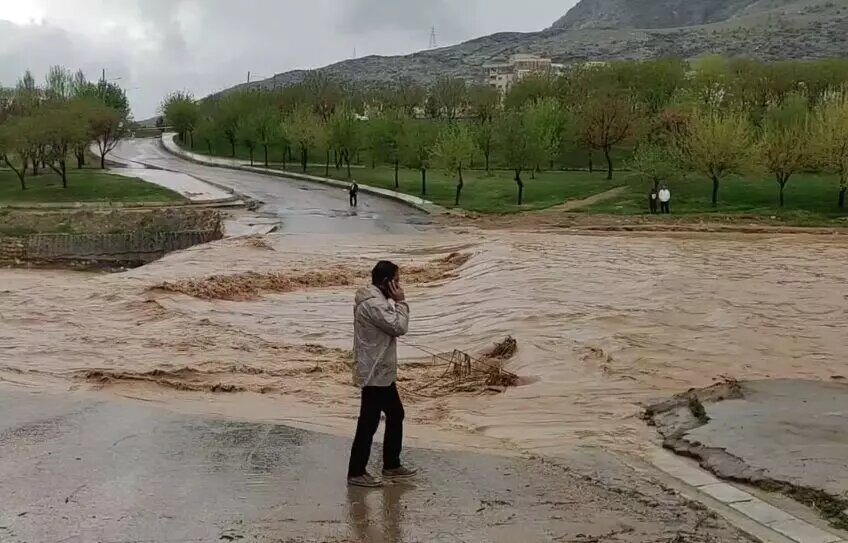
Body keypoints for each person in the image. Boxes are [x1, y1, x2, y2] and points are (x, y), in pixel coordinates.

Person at [347, 261, 417, 488]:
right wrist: (402, 303)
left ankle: (391, 465)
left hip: (379, 370)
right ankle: (357, 472)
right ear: (387, 282)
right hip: (375, 372)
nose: (399, 285)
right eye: (397, 281)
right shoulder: (375, 305)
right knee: (369, 422)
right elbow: (399, 327)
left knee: (395, 414)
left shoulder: (373, 301)